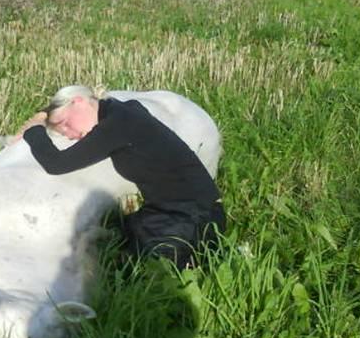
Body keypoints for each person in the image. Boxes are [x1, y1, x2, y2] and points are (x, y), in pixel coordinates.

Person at [19, 85, 225, 270]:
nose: (69, 134)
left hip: (194, 220)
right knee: (113, 242)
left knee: (138, 274)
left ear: (78, 101)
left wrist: (34, 131)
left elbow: (57, 164)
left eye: (64, 124)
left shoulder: (117, 125)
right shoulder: (124, 111)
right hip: (177, 211)